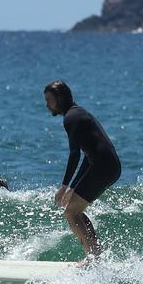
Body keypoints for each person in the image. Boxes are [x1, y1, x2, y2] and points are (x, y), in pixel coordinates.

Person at [43, 80, 121, 259]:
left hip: (103, 167)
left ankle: (92, 257)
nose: (47, 105)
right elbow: (89, 155)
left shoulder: (71, 117)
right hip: (108, 166)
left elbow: (74, 154)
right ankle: (95, 254)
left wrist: (64, 186)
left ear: (59, 98)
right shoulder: (78, 113)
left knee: (71, 212)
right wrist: (73, 186)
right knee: (75, 211)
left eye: (49, 99)